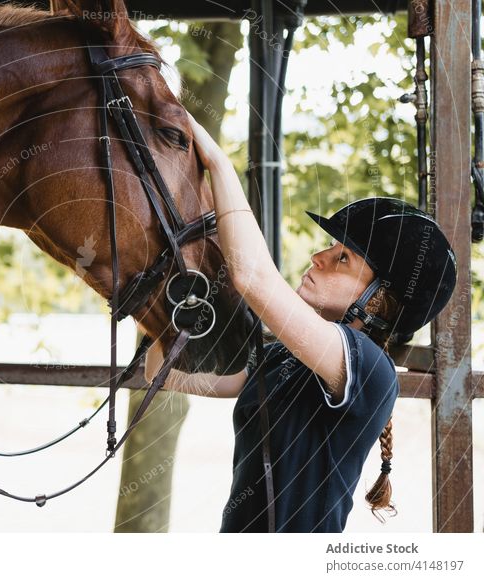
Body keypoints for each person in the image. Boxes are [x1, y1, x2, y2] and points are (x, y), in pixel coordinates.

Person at [144, 112, 457, 533]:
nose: (318, 258)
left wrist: (215, 160)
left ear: (378, 299)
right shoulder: (280, 360)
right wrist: (161, 279)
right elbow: (161, 373)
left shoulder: (368, 368)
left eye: (342, 258)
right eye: (329, 247)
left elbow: (252, 276)